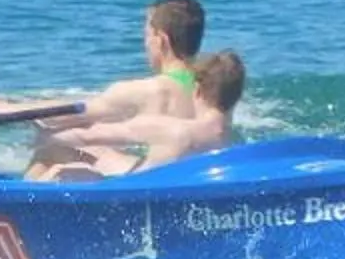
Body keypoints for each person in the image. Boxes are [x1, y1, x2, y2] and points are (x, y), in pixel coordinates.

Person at [3, 0, 208, 179]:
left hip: (147, 186)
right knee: (89, 149)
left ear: (161, 40)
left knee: (51, 150)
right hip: (188, 177)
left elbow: (73, 112)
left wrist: (2, 111)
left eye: (147, 35)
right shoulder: (209, 87)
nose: (145, 44)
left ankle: (15, 208)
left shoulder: (149, 89)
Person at [30, 52, 246, 181]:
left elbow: (89, 135)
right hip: (177, 191)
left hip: (133, 195)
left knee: (56, 161)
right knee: (98, 154)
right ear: (235, 96)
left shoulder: (171, 130)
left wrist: (44, 138)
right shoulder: (232, 143)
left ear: (197, 90)